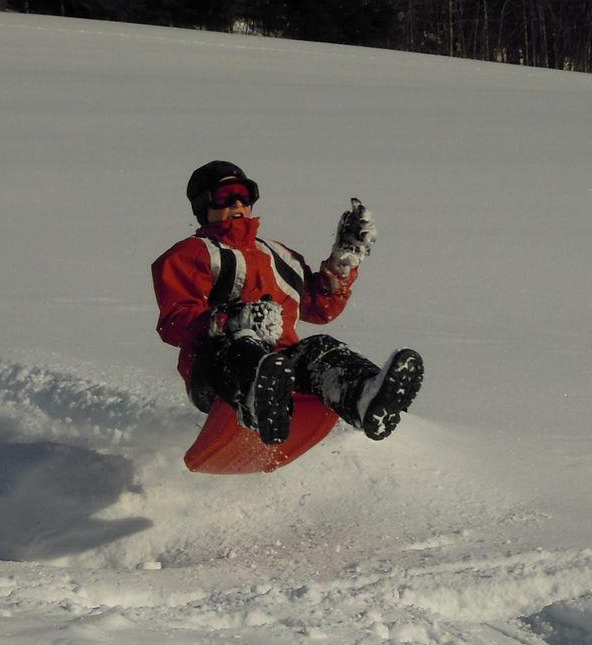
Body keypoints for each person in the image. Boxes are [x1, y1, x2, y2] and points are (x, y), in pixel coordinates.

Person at [151, 160, 422, 447]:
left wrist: (344, 259)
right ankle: (257, 400)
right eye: (225, 195)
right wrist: (230, 320)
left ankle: (364, 396)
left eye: (245, 194)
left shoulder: (278, 255)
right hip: (216, 374)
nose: (237, 203)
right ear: (203, 205)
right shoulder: (193, 254)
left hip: (280, 367)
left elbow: (320, 307)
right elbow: (175, 320)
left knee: (319, 347)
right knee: (242, 345)